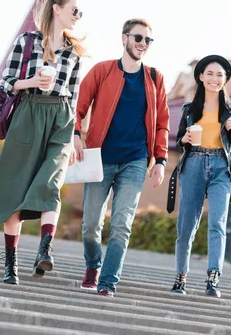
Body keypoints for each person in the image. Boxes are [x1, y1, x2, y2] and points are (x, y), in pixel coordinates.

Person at [0, 0, 86, 285]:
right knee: (15, 189)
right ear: (57, 8)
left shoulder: (75, 53)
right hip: (27, 113)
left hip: (61, 117)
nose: (78, 15)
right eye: (74, 9)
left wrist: (77, 134)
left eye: (80, 11)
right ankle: (11, 264)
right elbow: (6, 82)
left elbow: (75, 98)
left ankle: (44, 250)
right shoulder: (26, 42)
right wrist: (31, 83)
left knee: (51, 182)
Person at [74, 18, 170, 297]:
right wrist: (76, 134)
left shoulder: (155, 78)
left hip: (136, 160)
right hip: (99, 158)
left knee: (121, 224)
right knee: (90, 225)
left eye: (147, 40)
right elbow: (78, 107)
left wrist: (161, 160)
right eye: (138, 38)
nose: (142, 44)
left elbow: (162, 122)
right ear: (124, 38)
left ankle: (107, 282)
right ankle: (93, 265)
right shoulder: (102, 71)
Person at [170, 55, 231, 298]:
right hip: (194, 163)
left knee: (217, 223)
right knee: (186, 226)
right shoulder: (188, 110)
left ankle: (213, 278)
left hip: (221, 166)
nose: (214, 79)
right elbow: (178, 143)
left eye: (219, 75)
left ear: (225, 79)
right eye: (210, 74)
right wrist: (183, 140)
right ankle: (180, 277)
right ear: (201, 77)